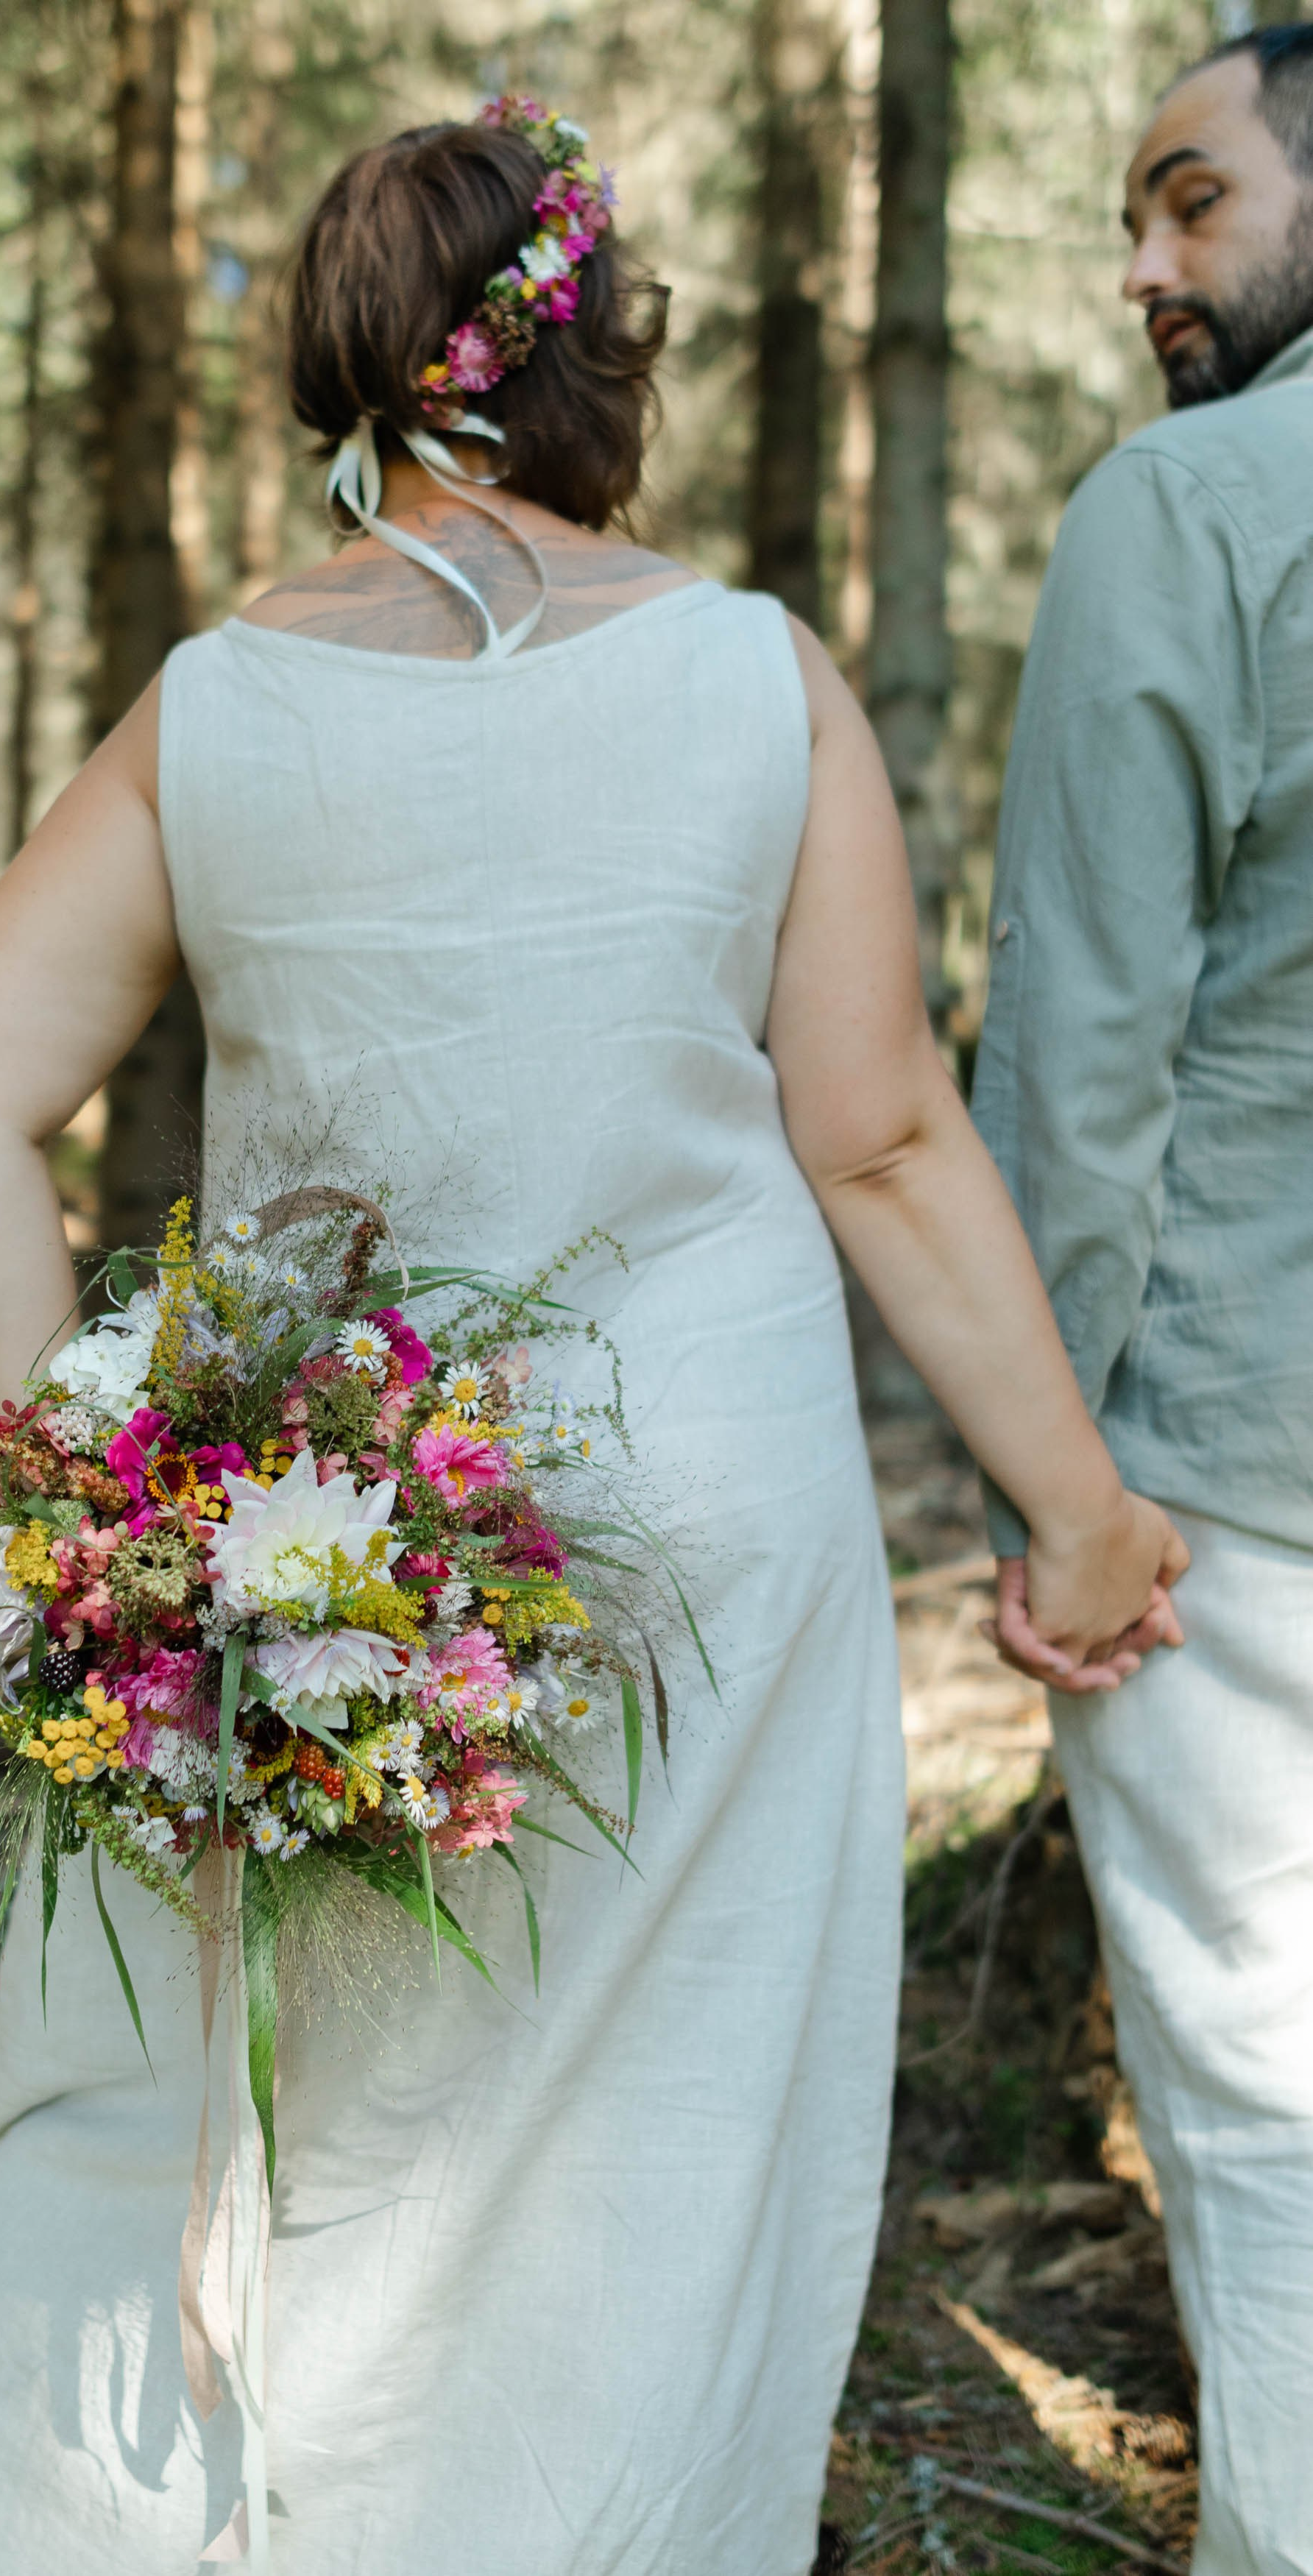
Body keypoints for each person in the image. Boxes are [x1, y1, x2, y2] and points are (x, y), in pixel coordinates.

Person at [0, 101, 1181, 2576]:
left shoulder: (214, 704)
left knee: (256, 2111)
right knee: (644, 2176)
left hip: (305, 1553)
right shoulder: (759, 677)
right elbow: (878, 1138)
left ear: (349, 367)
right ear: (594, 361)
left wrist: (100, 1509)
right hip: (693, 1543)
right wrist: (1080, 1516)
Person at [973, 27, 1313, 2576]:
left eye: (1191, 201)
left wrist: (1057, 1487)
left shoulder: (1190, 510)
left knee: (1265, 2101)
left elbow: (1082, 1049)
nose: (1142, 267)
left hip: (1227, 1476)